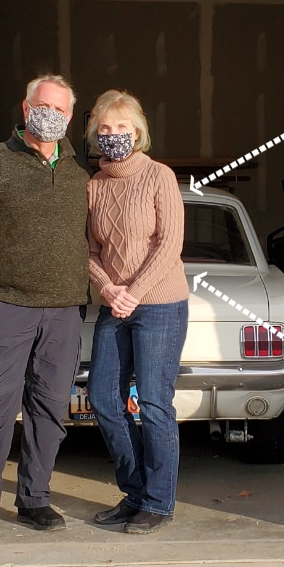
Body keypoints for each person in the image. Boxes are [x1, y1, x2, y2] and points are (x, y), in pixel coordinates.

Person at [0, 74, 90, 543]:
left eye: (60, 110)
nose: (50, 115)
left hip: (64, 310)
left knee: (50, 409)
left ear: (70, 118)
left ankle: (35, 499)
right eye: (42, 106)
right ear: (26, 108)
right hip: (7, 307)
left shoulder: (79, 176)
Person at [84, 90, 189, 535]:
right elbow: (86, 250)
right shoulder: (92, 186)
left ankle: (159, 503)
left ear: (138, 131)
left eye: (122, 128)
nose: (113, 136)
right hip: (115, 303)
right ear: (94, 135)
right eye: (105, 129)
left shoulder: (159, 176)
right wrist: (109, 288)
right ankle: (135, 492)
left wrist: (133, 292)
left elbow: (170, 243)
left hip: (161, 304)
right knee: (103, 399)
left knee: (152, 403)